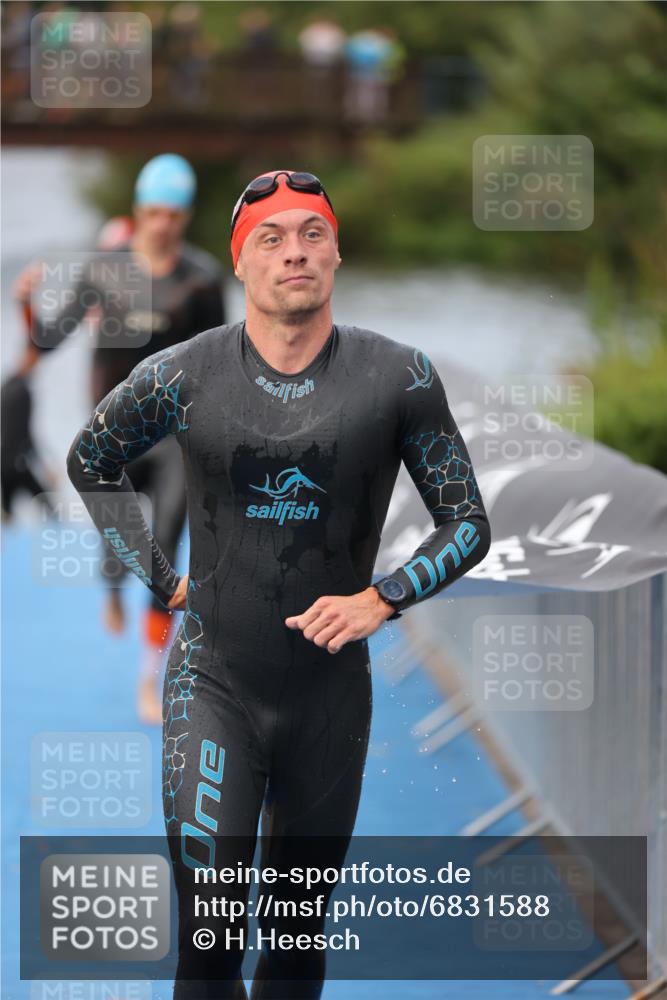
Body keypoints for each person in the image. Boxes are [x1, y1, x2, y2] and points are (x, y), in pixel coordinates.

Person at [66, 169, 491, 998]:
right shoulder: (183, 374)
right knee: (212, 937)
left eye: (311, 234)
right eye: (271, 237)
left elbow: (467, 523)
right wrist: (159, 577)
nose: (293, 251)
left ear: (335, 253)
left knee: (295, 948)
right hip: (213, 681)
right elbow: (91, 460)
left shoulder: (397, 378)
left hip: (328, 700)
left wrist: (383, 597)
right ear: (241, 261)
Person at [13, 153, 225, 724]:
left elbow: (223, 363)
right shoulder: (102, 270)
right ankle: (111, 590)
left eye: (173, 214)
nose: (162, 224)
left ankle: (149, 675)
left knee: (166, 542)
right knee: (120, 549)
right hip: (113, 437)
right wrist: (25, 304)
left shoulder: (201, 279)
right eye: (153, 212)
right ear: (138, 211)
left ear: (185, 217)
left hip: (177, 437)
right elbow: (48, 340)